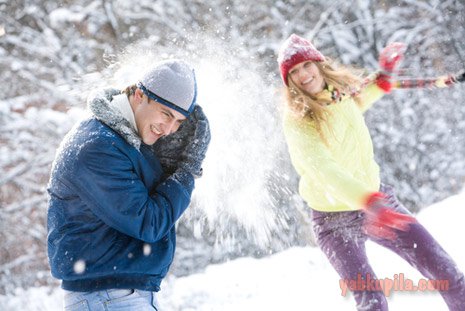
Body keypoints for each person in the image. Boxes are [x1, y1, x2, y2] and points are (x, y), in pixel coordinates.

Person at [277, 34, 465, 310]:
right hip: (334, 220)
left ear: (318, 64)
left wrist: (385, 77)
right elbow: (323, 169)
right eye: (293, 72)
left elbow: (353, 106)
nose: (303, 75)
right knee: (373, 301)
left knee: (446, 273)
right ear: (289, 82)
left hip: (377, 201)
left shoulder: (338, 95)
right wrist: (368, 202)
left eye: (305, 65)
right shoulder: (297, 121)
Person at [47, 59, 210, 310]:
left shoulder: (125, 142)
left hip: (118, 296)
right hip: (107, 298)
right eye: (166, 113)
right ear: (139, 95)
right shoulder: (98, 147)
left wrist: (165, 166)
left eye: (178, 122)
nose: (168, 129)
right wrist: (186, 170)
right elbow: (149, 222)